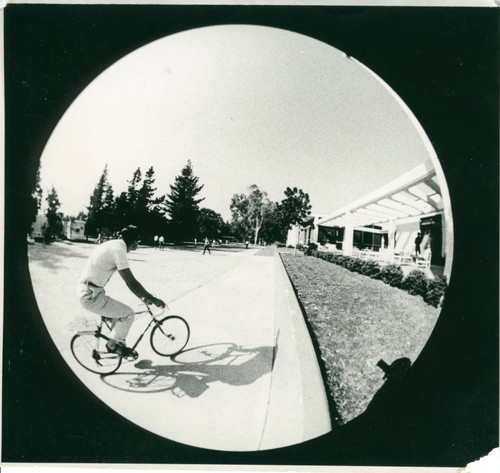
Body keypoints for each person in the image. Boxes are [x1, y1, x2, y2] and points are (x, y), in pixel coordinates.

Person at [77, 225, 165, 357]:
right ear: (135, 241)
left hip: (90, 290)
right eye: (138, 242)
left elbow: (130, 283)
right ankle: (111, 346)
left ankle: (118, 343)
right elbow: (130, 282)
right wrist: (152, 298)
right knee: (128, 314)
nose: (138, 244)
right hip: (91, 295)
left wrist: (142, 296)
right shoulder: (119, 250)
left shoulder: (114, 244)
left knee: (118, 314)